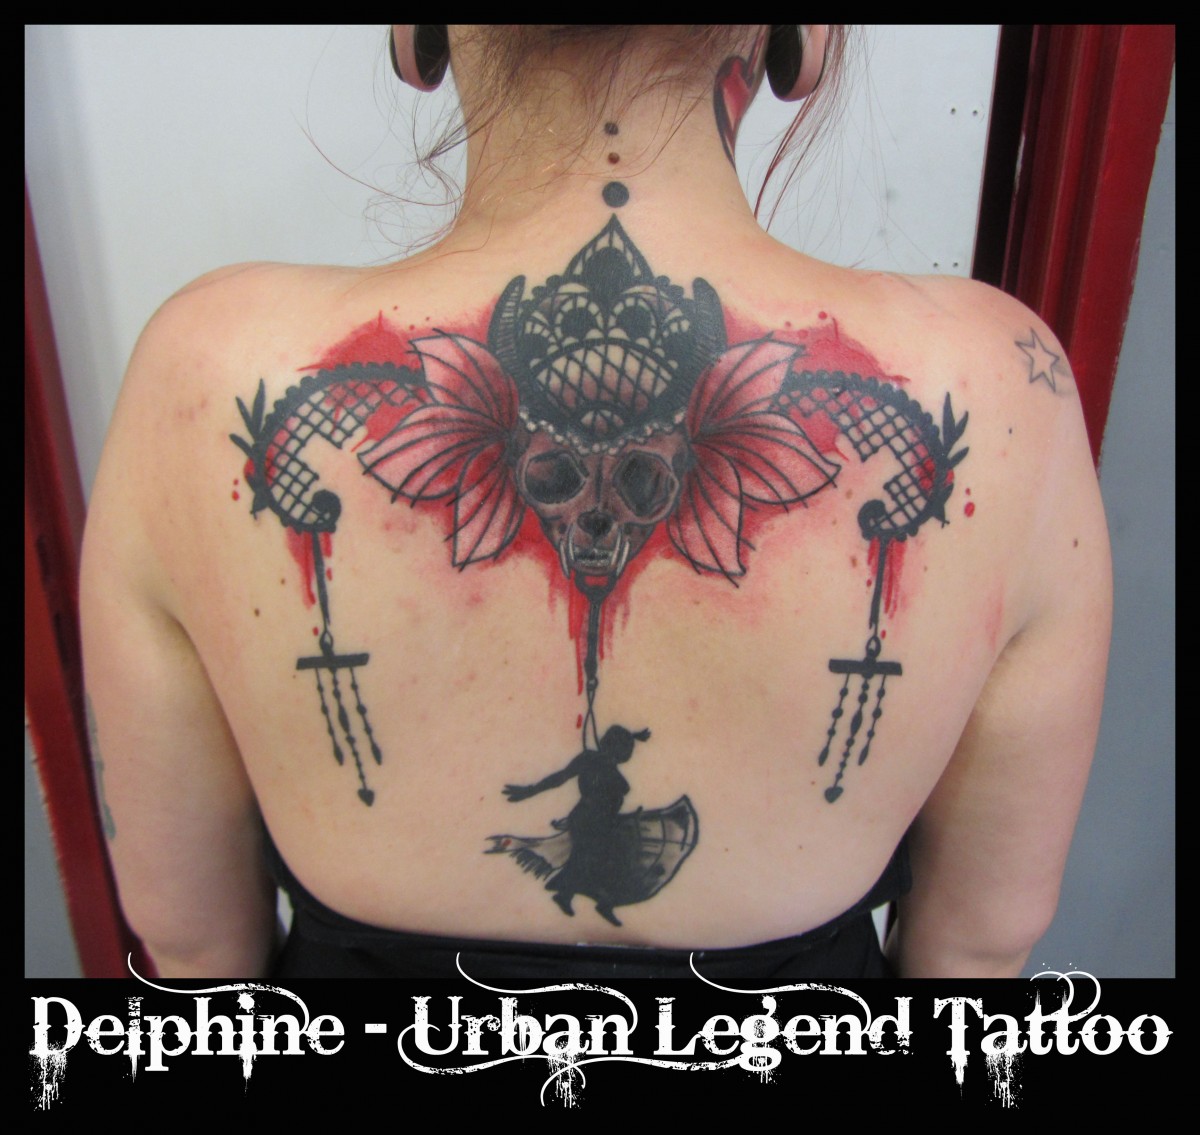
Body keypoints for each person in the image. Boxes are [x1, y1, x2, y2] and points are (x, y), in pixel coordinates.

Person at [80, 25, 1111, 980]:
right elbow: (977, 952)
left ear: (415, 34)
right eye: (558, 480)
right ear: (806, 38)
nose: (597, 536)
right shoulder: (1002, 392)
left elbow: (193, 950)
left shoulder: (202, 376)